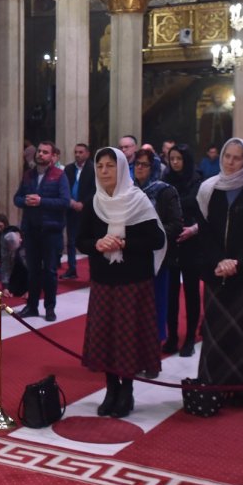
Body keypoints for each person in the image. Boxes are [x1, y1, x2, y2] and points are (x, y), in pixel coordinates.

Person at [76, 148, 166, 419]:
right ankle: (110, 389)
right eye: (100, 166)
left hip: (133, 281)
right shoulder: (94, 201)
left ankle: (126, 391)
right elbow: (81, 240)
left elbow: (157, 240)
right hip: (104, 281)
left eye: (110, 166)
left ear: (122, 169)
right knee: (106, 338)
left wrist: (125, 244)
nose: (104, 171)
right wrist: (98, 244)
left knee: (127, 339)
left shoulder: (138, 200)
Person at [196, 137, 243, 406]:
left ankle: (242, 388)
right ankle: (216, 382)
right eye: (228, 156)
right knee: (217, 332)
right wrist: (220, 261)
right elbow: (205, 231)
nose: (231, 162)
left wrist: (236, 262)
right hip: (217, 272)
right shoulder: (208, 188)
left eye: (237, 158)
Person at [133, 148, 182, 372]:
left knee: (156, 309)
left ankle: (152, 360)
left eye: (144, 165)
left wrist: (152, 234)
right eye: (137, 164)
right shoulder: (130, 191)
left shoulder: (165, 191)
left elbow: (176, 224)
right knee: (135, 312)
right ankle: (134, 356)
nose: (139, 168)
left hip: (159, 259)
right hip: (134, 258)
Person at [12, 141, 71, 321]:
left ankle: (50, 307)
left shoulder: (59, 176)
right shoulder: (28, 175)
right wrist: (25, 201)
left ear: (52, 156)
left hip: (51, 231)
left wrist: (41, 201)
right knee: (33, 271)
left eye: (45, 152)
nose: (40, 155)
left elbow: (65, 202)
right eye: (39, 151)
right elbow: (17, 198)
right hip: (31, 230)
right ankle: (32, 306)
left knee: (51, 272)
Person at [162, 143, 203, 356]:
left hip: (192, 241)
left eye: (179, 159)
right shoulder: (167, 179)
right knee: (171, 293)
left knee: (191, 291)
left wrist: (193, 229)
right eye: (172, 159)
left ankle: (189, 338)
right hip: (172, 240)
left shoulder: (197, 179)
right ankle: (172, 337)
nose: (175, 162)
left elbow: (198, 206)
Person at [62, 143, 92, 279]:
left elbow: (95, 189)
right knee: (71, 240)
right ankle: (72, 268)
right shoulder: (68, 169)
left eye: (81, 152)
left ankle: (93, 271)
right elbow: (64, 187)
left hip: (87, 210)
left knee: (90, 239)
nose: (78, 155)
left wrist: (83, 203)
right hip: (71, 208)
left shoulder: (93, 169)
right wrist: (71, 202)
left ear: (87, 153)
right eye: (76, 152)